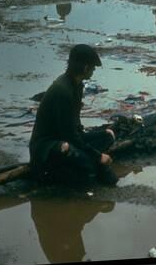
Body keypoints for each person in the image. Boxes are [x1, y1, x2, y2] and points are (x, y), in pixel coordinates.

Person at [29, 44, 118, 186]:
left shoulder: (77, 86)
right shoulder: (62, 91)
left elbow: (75, 128)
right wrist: (98, 156)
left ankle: (85, 163)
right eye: (93, 68)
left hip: (69, 138)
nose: (94, 71)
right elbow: (69, 135)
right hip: (49, 145)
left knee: (107, 135)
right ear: (85, 68)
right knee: (84, 163)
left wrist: (97, 138)